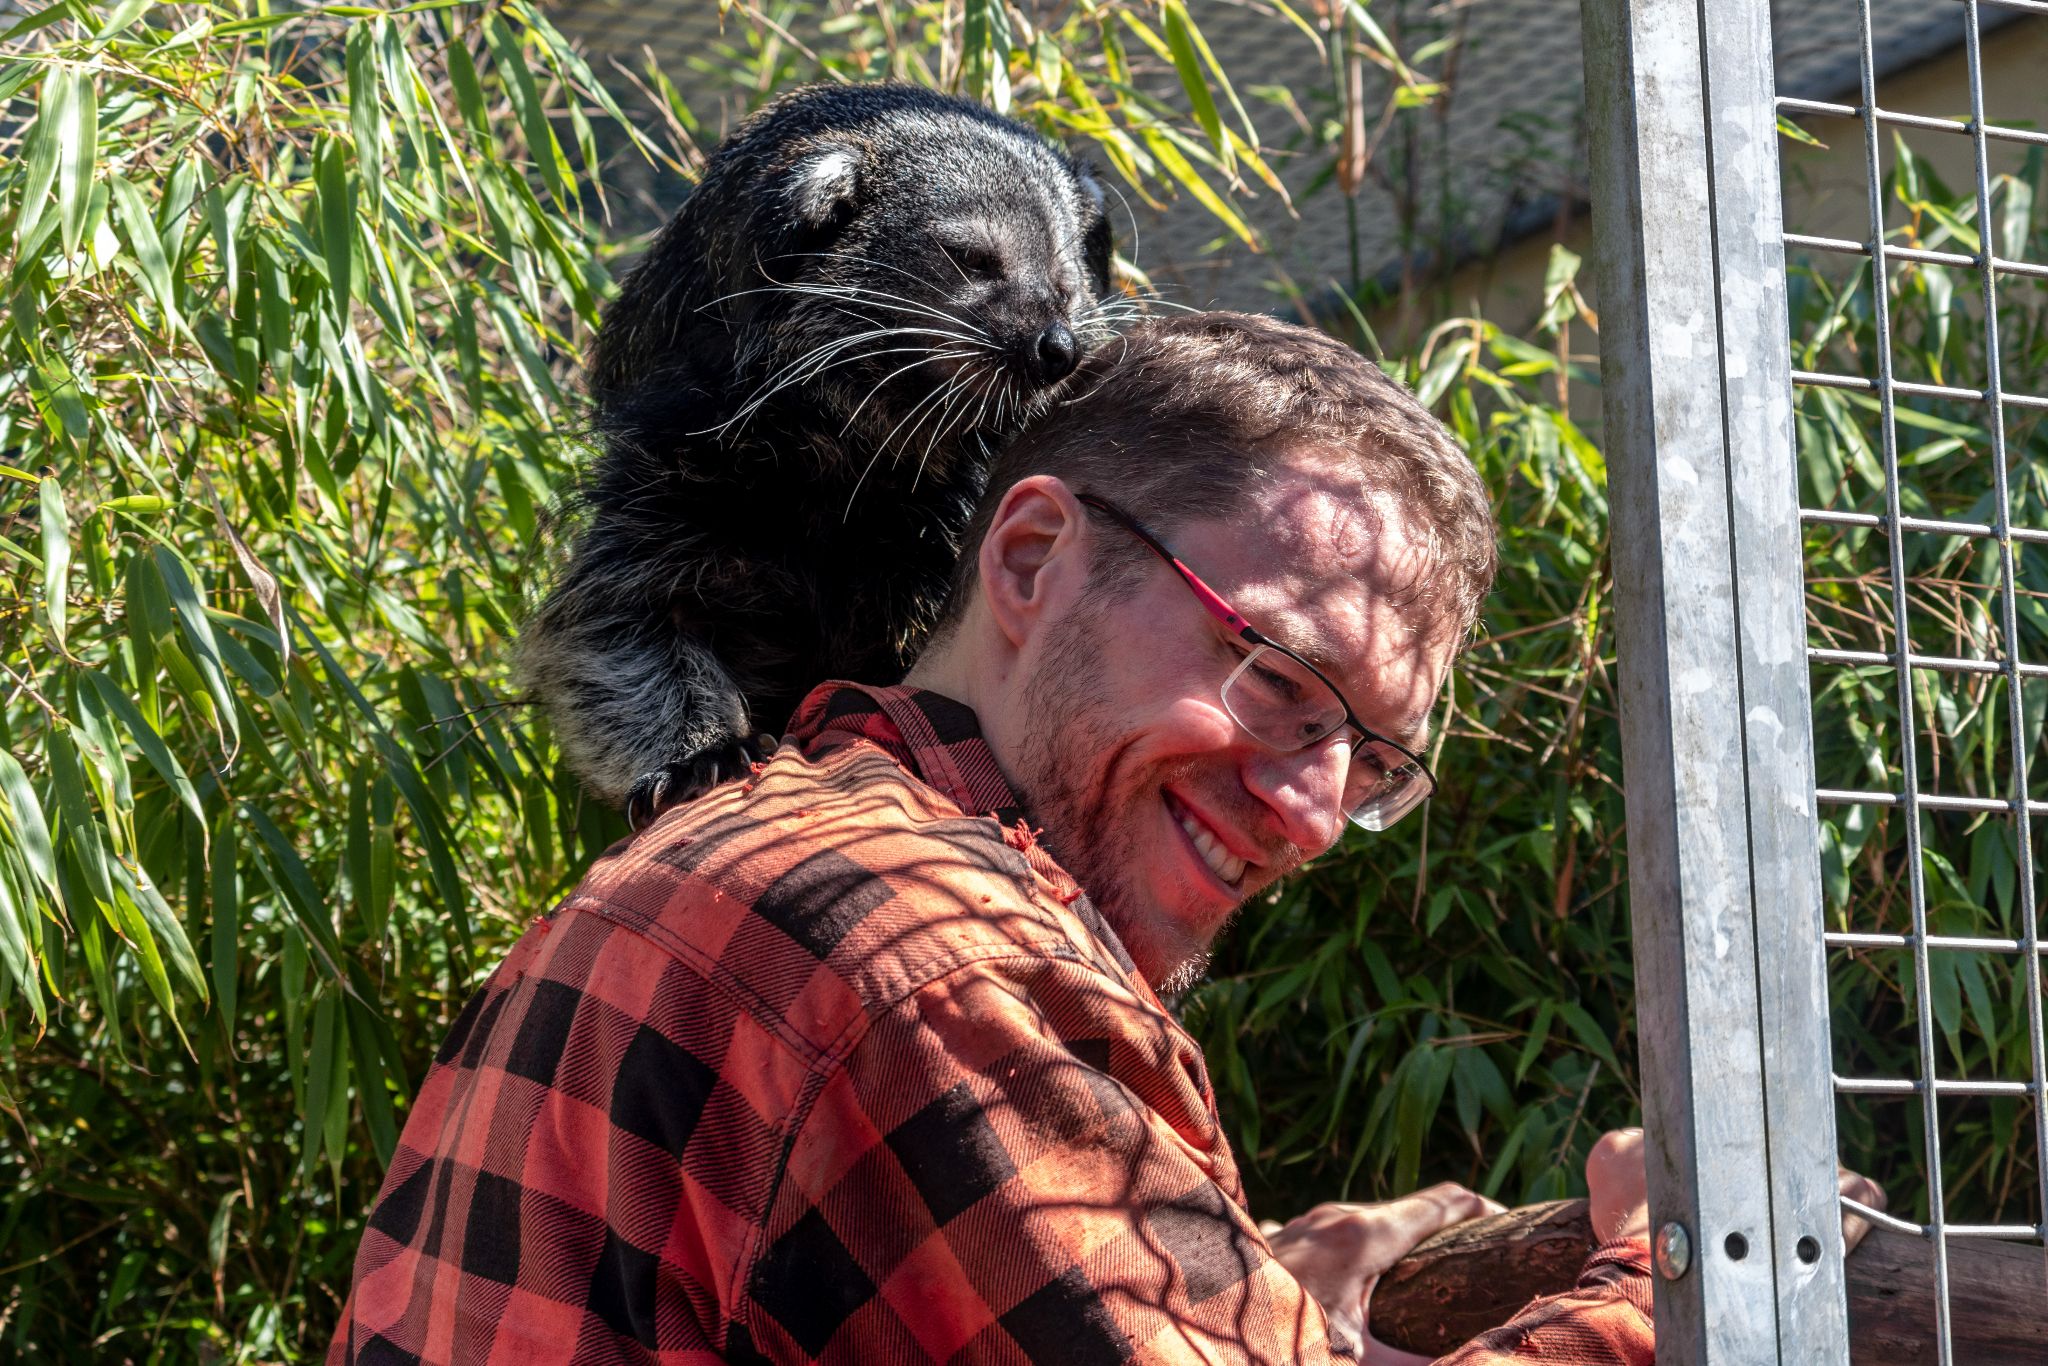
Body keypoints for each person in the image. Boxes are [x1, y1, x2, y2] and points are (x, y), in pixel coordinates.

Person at [324, 313, 1822, 1363]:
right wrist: (1668, 1274)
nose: (1308, 810)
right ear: (1034, 558)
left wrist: (1273, 1288)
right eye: (1283, 682)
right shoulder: (920, 951)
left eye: (1368, 758)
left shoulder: (752, 853)